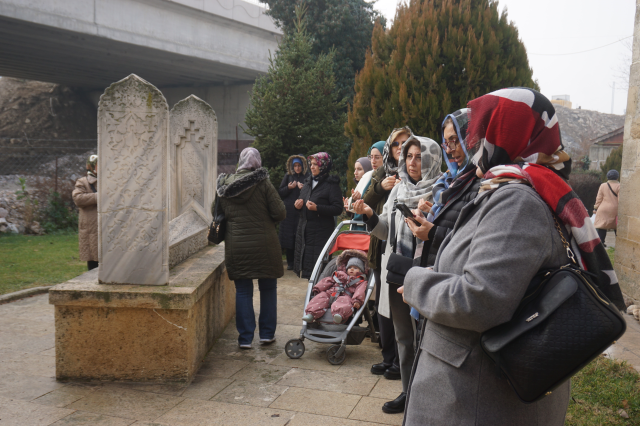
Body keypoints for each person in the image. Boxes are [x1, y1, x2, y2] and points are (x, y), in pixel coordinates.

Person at [401, 88, 625, 425]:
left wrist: (416, 281)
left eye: (481, 131)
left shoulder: (516, 201)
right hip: (473, 393)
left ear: (506, 133)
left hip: (477, 399)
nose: (472, 142)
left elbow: (480, 299)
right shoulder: (508, 187)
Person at [354, 134, 443, 414]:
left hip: (428, 274)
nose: (413, 162)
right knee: (404, 338)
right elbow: (386, 231)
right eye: (408, 156)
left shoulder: (441, 192)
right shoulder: (398, 190)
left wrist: (432, 223)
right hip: (397, 271)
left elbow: (449, 238)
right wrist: (369, 214)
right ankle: (407, 391)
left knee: (427, 340)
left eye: (419, 157)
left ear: (431, 159)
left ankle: (428, 395)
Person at [216, 147, 286, 349]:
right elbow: (280, 212)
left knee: (243, 291)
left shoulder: (224, 185)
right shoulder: (263, 183)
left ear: (240, 161)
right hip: (265, 246)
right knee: (268, 288)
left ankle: (245, 338)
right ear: (257, 162)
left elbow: (218, 214)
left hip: (237, 246)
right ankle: (266, 334)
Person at [409, 108, 481, 269]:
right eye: (446, 143)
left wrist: (433, 233)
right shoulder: (451, 181)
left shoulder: (482, 183)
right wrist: (428, 216)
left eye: (454, 140)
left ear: (472, 139)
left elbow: (476, 242)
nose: (448, 150)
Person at [362, 134, 407, 383]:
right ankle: (388, 356)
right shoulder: (381, 173)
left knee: (401, 305)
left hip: (405, 248)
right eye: (396, 144)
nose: (400, 149)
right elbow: (365, 201)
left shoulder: (416, 175)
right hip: (380, 242)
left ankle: (402, 360)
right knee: (383, 304)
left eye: (405, 143)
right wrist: (381, 187)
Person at [293, 152, 343, 279]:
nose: (312, 167)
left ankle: (318, 296)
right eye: (311, 164)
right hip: (306, 233)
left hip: (321, 233)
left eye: (316, 164)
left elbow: (338, 208)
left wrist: (317, 208)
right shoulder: (308, 182)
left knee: (319, 271)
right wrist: (298, 206)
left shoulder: (331, 184)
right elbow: (302, 201)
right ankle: (313, 296)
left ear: (324, 166)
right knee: (309, 271)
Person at [302, 249, 369, 324]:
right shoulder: (339, 274)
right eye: (350, 268)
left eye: (355, 268)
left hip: (346, 295)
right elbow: (328, 280)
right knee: (320, 297)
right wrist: (318, 288)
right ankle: (311, 314)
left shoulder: (360, 280)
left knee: (344, 303)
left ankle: (339, 315)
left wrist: (357, 301)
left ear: (361, 270)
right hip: (331, 293)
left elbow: (360, 291)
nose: (352, 269)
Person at [278, 155, 309, 269]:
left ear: (302, 166)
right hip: (289, 212)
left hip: (301, 211)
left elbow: (311, 191)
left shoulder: (307, 176)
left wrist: (304, 188)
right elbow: (280, 192)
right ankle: (290, 262)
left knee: (300, 236)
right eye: (295, 166)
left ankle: (299, 262)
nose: (297, 168)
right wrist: (289, 188)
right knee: (289, 237)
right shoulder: (288, 176)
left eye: (299, 166)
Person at [72, 155, 99, 271]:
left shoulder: (109, 180)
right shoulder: (83, 182)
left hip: (106, 223)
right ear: (91, 166)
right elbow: (78, 198)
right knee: (93, 255)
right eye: (98, 165)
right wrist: (97, 197)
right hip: (91, 226)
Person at [344, 157, 373, 229]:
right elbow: (353, 215)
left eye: (359, 169)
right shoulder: (358, 187)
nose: (355, 172)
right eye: (355, 169)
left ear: (368, 170)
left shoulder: (372, 187)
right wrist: (349, 207)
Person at [593, 169, 620, 246]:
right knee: (617, 227)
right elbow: (620, 200)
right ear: (617, 178)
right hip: (615, 210)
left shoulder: (603, 185)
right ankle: (619, 243)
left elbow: (599, 198)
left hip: (603, 209)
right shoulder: (620, 186)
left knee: (602, 226)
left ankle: (601, 243)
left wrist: (595, 208)